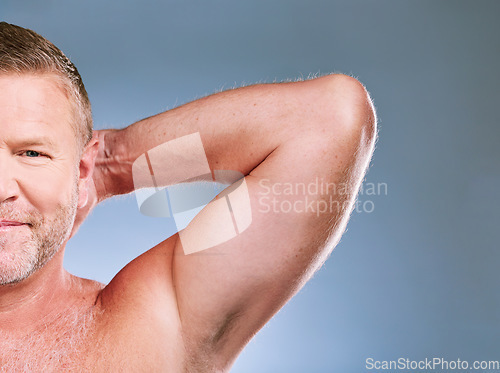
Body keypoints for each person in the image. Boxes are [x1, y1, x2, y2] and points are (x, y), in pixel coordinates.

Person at [0, 21, 377, 372]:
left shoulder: (153, 324)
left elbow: (327, 118)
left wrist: (112, 163)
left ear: (81, 170)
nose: (3, 189)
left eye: (33, 153)